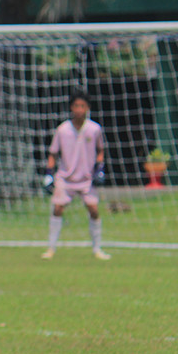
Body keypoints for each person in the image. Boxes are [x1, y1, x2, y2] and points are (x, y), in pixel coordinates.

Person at [41, 91, 110, 260]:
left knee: (94, 210)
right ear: (71, 108)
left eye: (83, 106)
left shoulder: (94, 129)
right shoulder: (62, 129)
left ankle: (97, 249)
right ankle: (51, 248)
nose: (79, 109)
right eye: (76, 106)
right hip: (65, 178)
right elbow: (53, 154)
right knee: (57, 209)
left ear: (87, 108)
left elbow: (101, 151)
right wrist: (49, 175)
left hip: (87, 179)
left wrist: (100, 169)